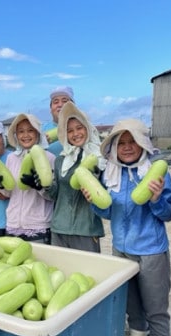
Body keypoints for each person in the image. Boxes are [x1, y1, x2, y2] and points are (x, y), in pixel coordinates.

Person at [89, 119, 171, 336]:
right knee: (132, 305)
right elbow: (107, 213)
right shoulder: (111, 173)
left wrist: (156, 198)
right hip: (121, 249)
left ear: (142, 144)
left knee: (156, 309)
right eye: (121, 143)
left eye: (132, 142)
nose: (127, 147)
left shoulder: (156, 173)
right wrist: (93, 202)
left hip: (151, 249)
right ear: (114, 147)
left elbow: (167, 214)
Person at [45, 101, 106, 252]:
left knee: (88, 273)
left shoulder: (101, 158)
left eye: (79, 128)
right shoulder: (61, 160)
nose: (75, 134)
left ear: (88, 129)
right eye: (70, 131)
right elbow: (55, 194)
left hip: (87, 229)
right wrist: (43, 185)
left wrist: (97, 180)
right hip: (59, 228)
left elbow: (107, 194)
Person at [3, 113, 55, 243]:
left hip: (38, 226)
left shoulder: (49, 158)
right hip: (13, 224)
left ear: (38, 133)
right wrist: (1, 184)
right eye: (21, 131)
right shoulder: (11, 158)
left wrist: (39, 187)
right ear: (16, 135)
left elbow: (53, 195)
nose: (25, 135)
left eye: (30, 130)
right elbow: (9, 193)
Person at [41, 86, 74, 156]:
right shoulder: (40, 130)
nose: (60, 105)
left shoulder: (81, 128)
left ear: (73, 107)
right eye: (56, 102)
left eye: (65, 101)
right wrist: (39, 143)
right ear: (50, 109)